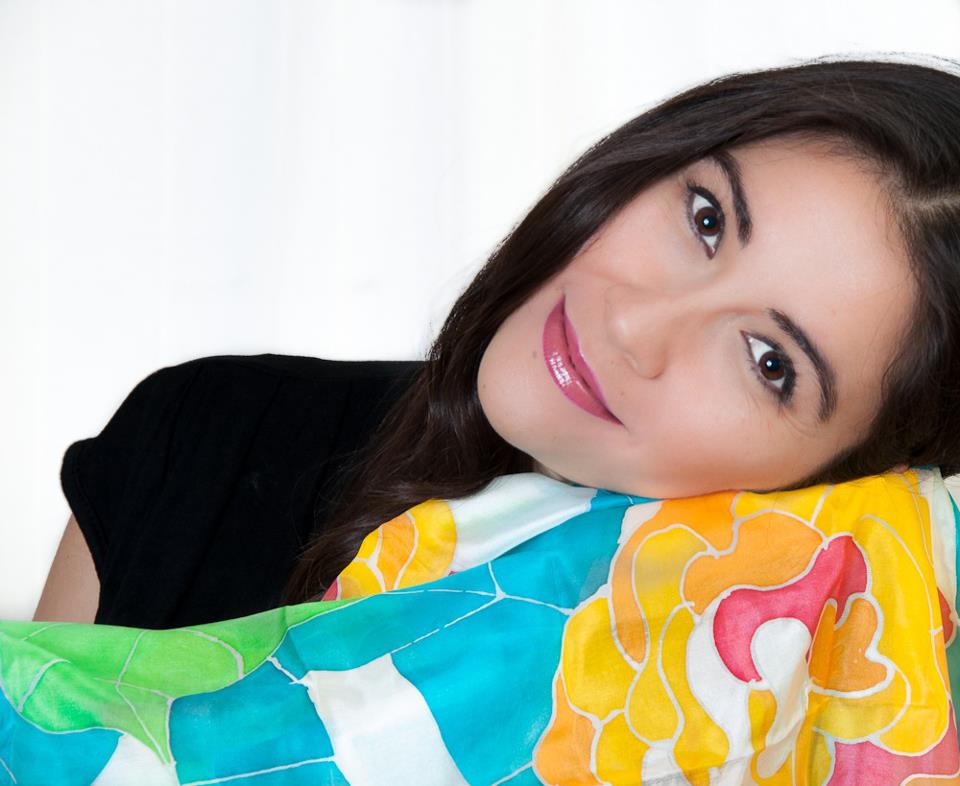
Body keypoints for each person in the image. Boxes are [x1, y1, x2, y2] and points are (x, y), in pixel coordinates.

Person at [34, 55, 960, 630]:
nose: (636, 326)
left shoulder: (755, 726)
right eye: (706, 218)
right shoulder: (203, 436)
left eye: (769, 363)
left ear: (860, 482)